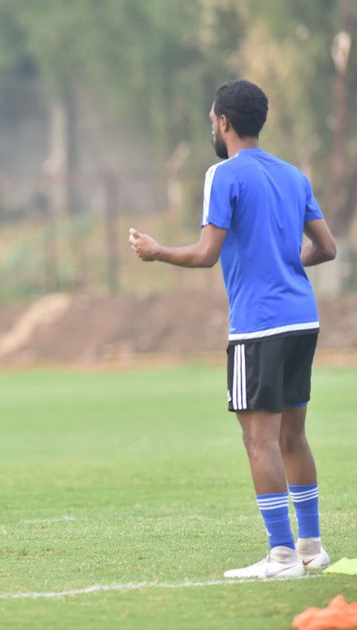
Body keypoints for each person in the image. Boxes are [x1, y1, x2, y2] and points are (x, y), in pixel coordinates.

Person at [129, 80, 337, 579]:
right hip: (302, 318)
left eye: (211, 121)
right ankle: (311, 547)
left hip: (259, 325)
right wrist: (287, 267)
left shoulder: (222, 175)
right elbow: (326, 248)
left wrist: (157, 252)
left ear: (223, 121)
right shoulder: (293, 175)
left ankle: (282, 555)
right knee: (294, 436)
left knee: (258, 439)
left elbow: (205, 255)